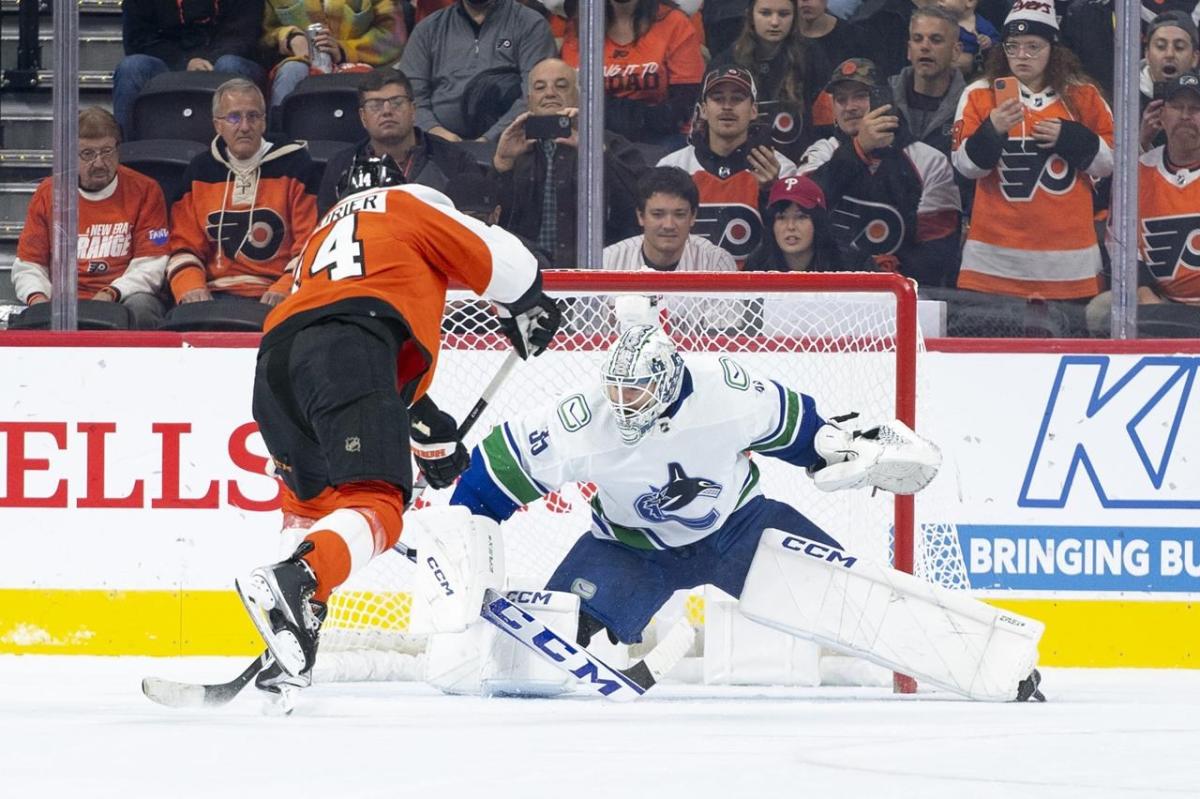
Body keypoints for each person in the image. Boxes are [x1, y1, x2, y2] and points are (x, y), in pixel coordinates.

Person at [447, 323, 1045, 702]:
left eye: (636, 391)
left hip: (739, 529)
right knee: (546, 652)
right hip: (629, 549)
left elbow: (803, 434)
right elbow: (486, 484)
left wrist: (839, 449)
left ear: (668, 380)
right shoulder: (583, 423)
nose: (622, 403)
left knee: (856, 601)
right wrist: (465, 547)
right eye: (616, 390)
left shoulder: (727, 393)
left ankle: (1001, 668)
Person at [236, 152, 564, 698]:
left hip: (275, 363)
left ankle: (289, 638)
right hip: (352, 346)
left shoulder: (319, 240)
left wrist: (427, 432)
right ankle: (300, 584)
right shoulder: (409, 202)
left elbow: (355, 368)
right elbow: (504, 261)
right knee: (379, 504)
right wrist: (527, 303)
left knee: (311, 511)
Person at [951, 3, 1114, 300]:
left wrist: (1072, 137)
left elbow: (1112, 163)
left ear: (1054, 49)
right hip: (992, 264)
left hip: (1071, 264)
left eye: (1033, 47)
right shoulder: (978, 94)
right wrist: (992, 130)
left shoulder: (1084, 95)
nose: (1022, 56)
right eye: (1013, 47)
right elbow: (966, 167)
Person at [798, 58, 962, 285]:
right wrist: (857, 150)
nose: (850, 106)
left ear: (884, 98)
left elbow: (939, 244)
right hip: (830, 289)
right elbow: (801, 207)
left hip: (905, 293)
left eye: (860, 96)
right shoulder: (821, 152)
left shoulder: (929, 160)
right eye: (841, 99)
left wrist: (890, 277)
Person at [166, 79, 319, 315]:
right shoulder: (200, 170)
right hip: (213, 295)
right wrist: (191, 287)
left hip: (275, 294)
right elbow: (184, 245)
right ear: (218, 125)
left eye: (253, 116)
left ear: (264, 122)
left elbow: (310, 243)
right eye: (234, 118)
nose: (245, 126)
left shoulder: (296, 165)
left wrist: (286, 287)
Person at [12, 108, 169, 330]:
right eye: (87, 154)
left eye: (106, 151)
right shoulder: (48, 193)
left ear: (118, 149)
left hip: (123, 297)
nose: (99, 163)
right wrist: (39, 301)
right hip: (62, 299)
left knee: (142, 307)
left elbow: (152, 263)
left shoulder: (146, 190)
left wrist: (110, 293)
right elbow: (29, 264)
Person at [491, 58, 646, 268]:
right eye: (540, 87)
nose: (550, 93)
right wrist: (502, 164)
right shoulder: (512, 146)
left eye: (561, 86)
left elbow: (640, 204)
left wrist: (596, 152)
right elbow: (489, 222)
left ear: (579, 97)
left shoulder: (609, 144)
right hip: (524, 275)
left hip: (594, 273)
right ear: (529, 100)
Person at [1086, 70, 1200, 332]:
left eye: (1195, 108)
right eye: (1177, 107)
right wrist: (1144, 291)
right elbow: (1120, 243)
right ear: (1161, 115)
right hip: (1160, 298)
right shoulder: (1137, 171)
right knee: (1099, 313)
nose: (1185, 115)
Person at [658, 67, 799, 268]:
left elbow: (794, 243)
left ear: (753, 110)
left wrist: (771, 192)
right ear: (703, 110)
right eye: (718, 98)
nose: (727, 107)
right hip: (688, 290)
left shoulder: (782, 169)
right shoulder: (671, 167)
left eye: (737, 98)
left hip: (755, 290)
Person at [317, 70, 485, 214]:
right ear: (363, 117)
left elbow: (475, 227)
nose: (387, 111)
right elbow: (326, 229)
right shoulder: (341, 165)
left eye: (397, 103)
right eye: (375, 105)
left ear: (413, 111)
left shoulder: (455, 160)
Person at [398, 0, 557, 142]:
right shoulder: (427, 29)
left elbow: (534, 94)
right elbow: (410, 94)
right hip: (437, 145)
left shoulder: (530, 24)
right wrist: (435, 131)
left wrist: (489, 139)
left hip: (512, 142)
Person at [561, 0, 706, 147]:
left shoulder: (675, 23)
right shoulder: (581, 26)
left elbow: (684, 104)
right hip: (594, 136)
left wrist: (616, 113)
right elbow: (572, 95)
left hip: (662, 137)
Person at [113, 0, 266, 137]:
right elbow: (137, 39)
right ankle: (125, 156)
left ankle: (239, 155)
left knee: (229, 65)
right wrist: (185, 62)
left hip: (227, 58)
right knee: (132, 68)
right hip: (168, 63)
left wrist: (209, 60)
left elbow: (245, 33)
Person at [710, 0, 820, 161]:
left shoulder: (811, 56)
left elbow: (826, 121)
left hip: (799, 162)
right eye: (766, 13)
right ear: (750, 15)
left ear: (795, 17)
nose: (775, 22)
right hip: (739, 162)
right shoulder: (725, 62)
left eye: (783, 14)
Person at [262, 1, 407, 116]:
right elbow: (262, 35)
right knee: (291, 71)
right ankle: (280, 142)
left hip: (359, 64)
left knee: (362, 78)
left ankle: (365, 149)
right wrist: (289, 37)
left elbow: (393, 37)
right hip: (298, 63)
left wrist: (345, 50)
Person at [603, 166, 738, 273]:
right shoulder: (607, 261)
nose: (668, 225)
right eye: (657, 214)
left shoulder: (717, 263)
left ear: (693, 217)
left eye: (679, 214)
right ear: (640, 216)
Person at [888, 6, 966, 155]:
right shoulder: (884, 98)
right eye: (918, 39)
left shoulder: (969, 105)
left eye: (936, 40)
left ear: (956, 51)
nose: (925, 46)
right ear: (909, 51)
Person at [744, 174, 841, 270]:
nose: (790, 226)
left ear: (818, 222)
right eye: (781, 217)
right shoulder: (756, 266)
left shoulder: (843, 264)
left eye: (801, 217)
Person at [1139, 11, 1200, 154]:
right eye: (1160, 46)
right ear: (1147, 54)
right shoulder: (1122, 98)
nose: (1169, 54)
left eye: (1179, 47)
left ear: (1195, 58)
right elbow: (1109, 171)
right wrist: (1142, 141)